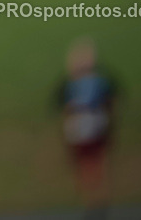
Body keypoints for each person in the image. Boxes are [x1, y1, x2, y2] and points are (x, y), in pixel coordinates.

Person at [54, 37, 119, 220]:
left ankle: (97, 204)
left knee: (94, 164)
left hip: (90, 126)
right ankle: (94, 204)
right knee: (88, 165)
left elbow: (111, 101)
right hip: (82, 127)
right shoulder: (73, 83)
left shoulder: (97, 81)